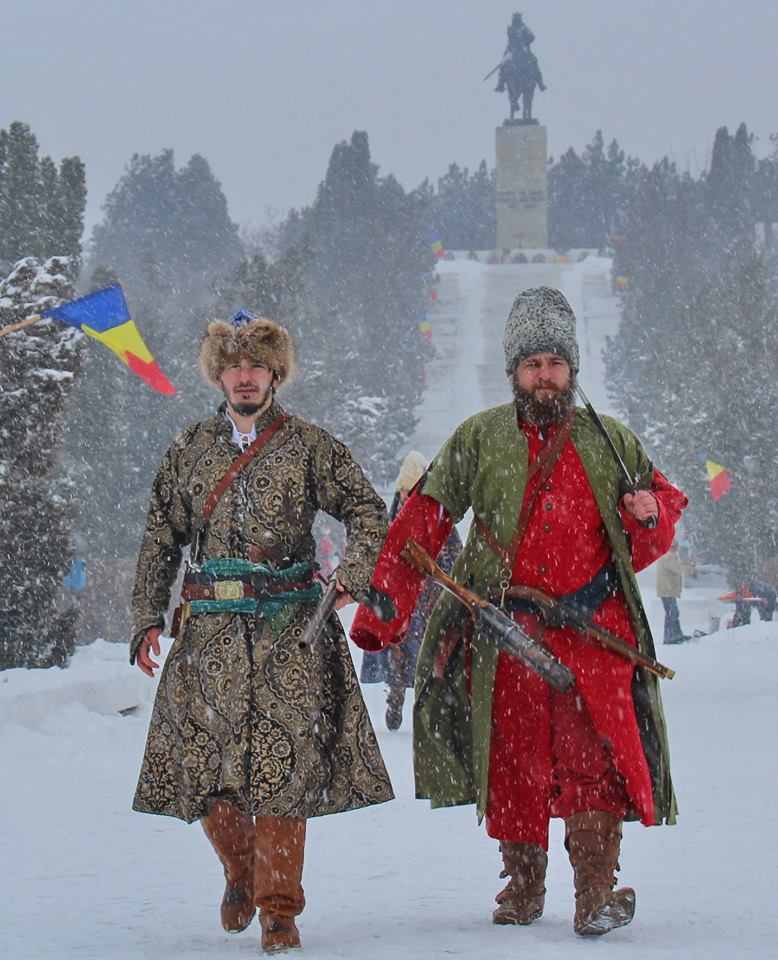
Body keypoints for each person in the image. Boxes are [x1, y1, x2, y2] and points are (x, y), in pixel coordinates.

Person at [351, 287, 688, 938]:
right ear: (513, 371)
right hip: (506, 634)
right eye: (531, 363)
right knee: (516, 762)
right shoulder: (478, 439)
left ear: (572, 370)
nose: (543, 375)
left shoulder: (611, 441)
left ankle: (595, 892)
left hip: (594, 636)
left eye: (554, 363)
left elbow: (655, 520)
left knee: (592, 762)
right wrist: (385, 608)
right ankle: (524, 885)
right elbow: (421, 522)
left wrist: (648, 518)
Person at [130, 312, 393, 953]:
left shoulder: (310, 446)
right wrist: (144, 618)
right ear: (219, 373)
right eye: (233, 364)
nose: (244, 375)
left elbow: (367, 509)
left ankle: (279, 909)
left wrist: (352, 575)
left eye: (256, 364)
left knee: (283, 770)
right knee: (206, 770)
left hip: (289, 632)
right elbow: (160, 537)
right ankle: (241, 868)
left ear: (275, 372)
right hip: (208, 636)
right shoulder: (188, 449)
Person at [360, 451, 462, 730]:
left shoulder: (440, 520)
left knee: (428, 654)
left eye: (410, 490)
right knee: (397, 650)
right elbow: (379, 554)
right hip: (400, 596)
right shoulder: (391, 520)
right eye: (403, 490)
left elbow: (454, 556)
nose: (405, 495)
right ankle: (395, 697)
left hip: (429, 598)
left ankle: (426, 706)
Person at [655, 542, 696, 643]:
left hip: (668, 590)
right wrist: (691, 569)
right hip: (667, 591)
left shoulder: (669, 557)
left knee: (674, 613)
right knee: (671, 613)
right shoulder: (668, 557)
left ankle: (677, 635)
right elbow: (677, 568)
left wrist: (688, 564)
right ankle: (670, 637)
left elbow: (677, 566)